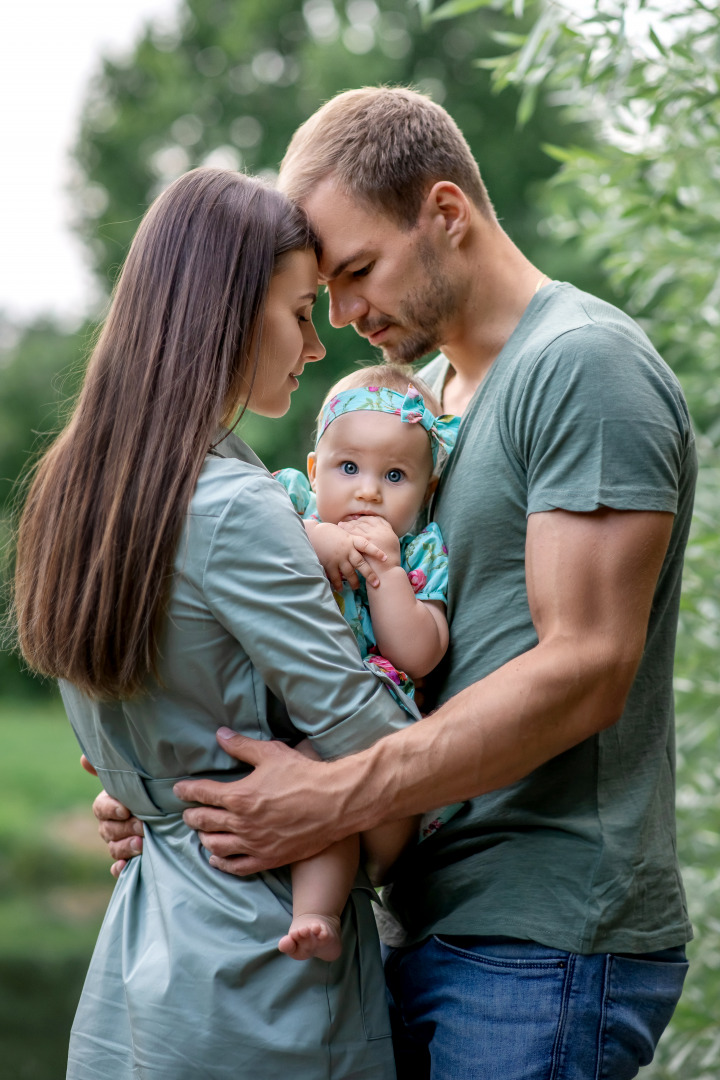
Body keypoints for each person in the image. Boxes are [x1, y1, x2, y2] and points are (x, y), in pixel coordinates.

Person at [95, 88, 697, 1079]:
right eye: (322, 290)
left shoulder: (582, 366)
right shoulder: (420, 414)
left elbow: (588, 668)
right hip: (420, 919)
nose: (340, 317)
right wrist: (168, 794)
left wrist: (334, 797)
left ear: (446, 214)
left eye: (359, 270)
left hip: (542, 942)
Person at [13, 166, 425, 1079]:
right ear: (227, 317)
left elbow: (141, 755)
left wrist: (146, 799)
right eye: (298, 313)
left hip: (135, 970)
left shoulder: (72, 492)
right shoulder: (235, 504)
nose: (314, 347)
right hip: (265, 974)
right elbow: (373, 743)